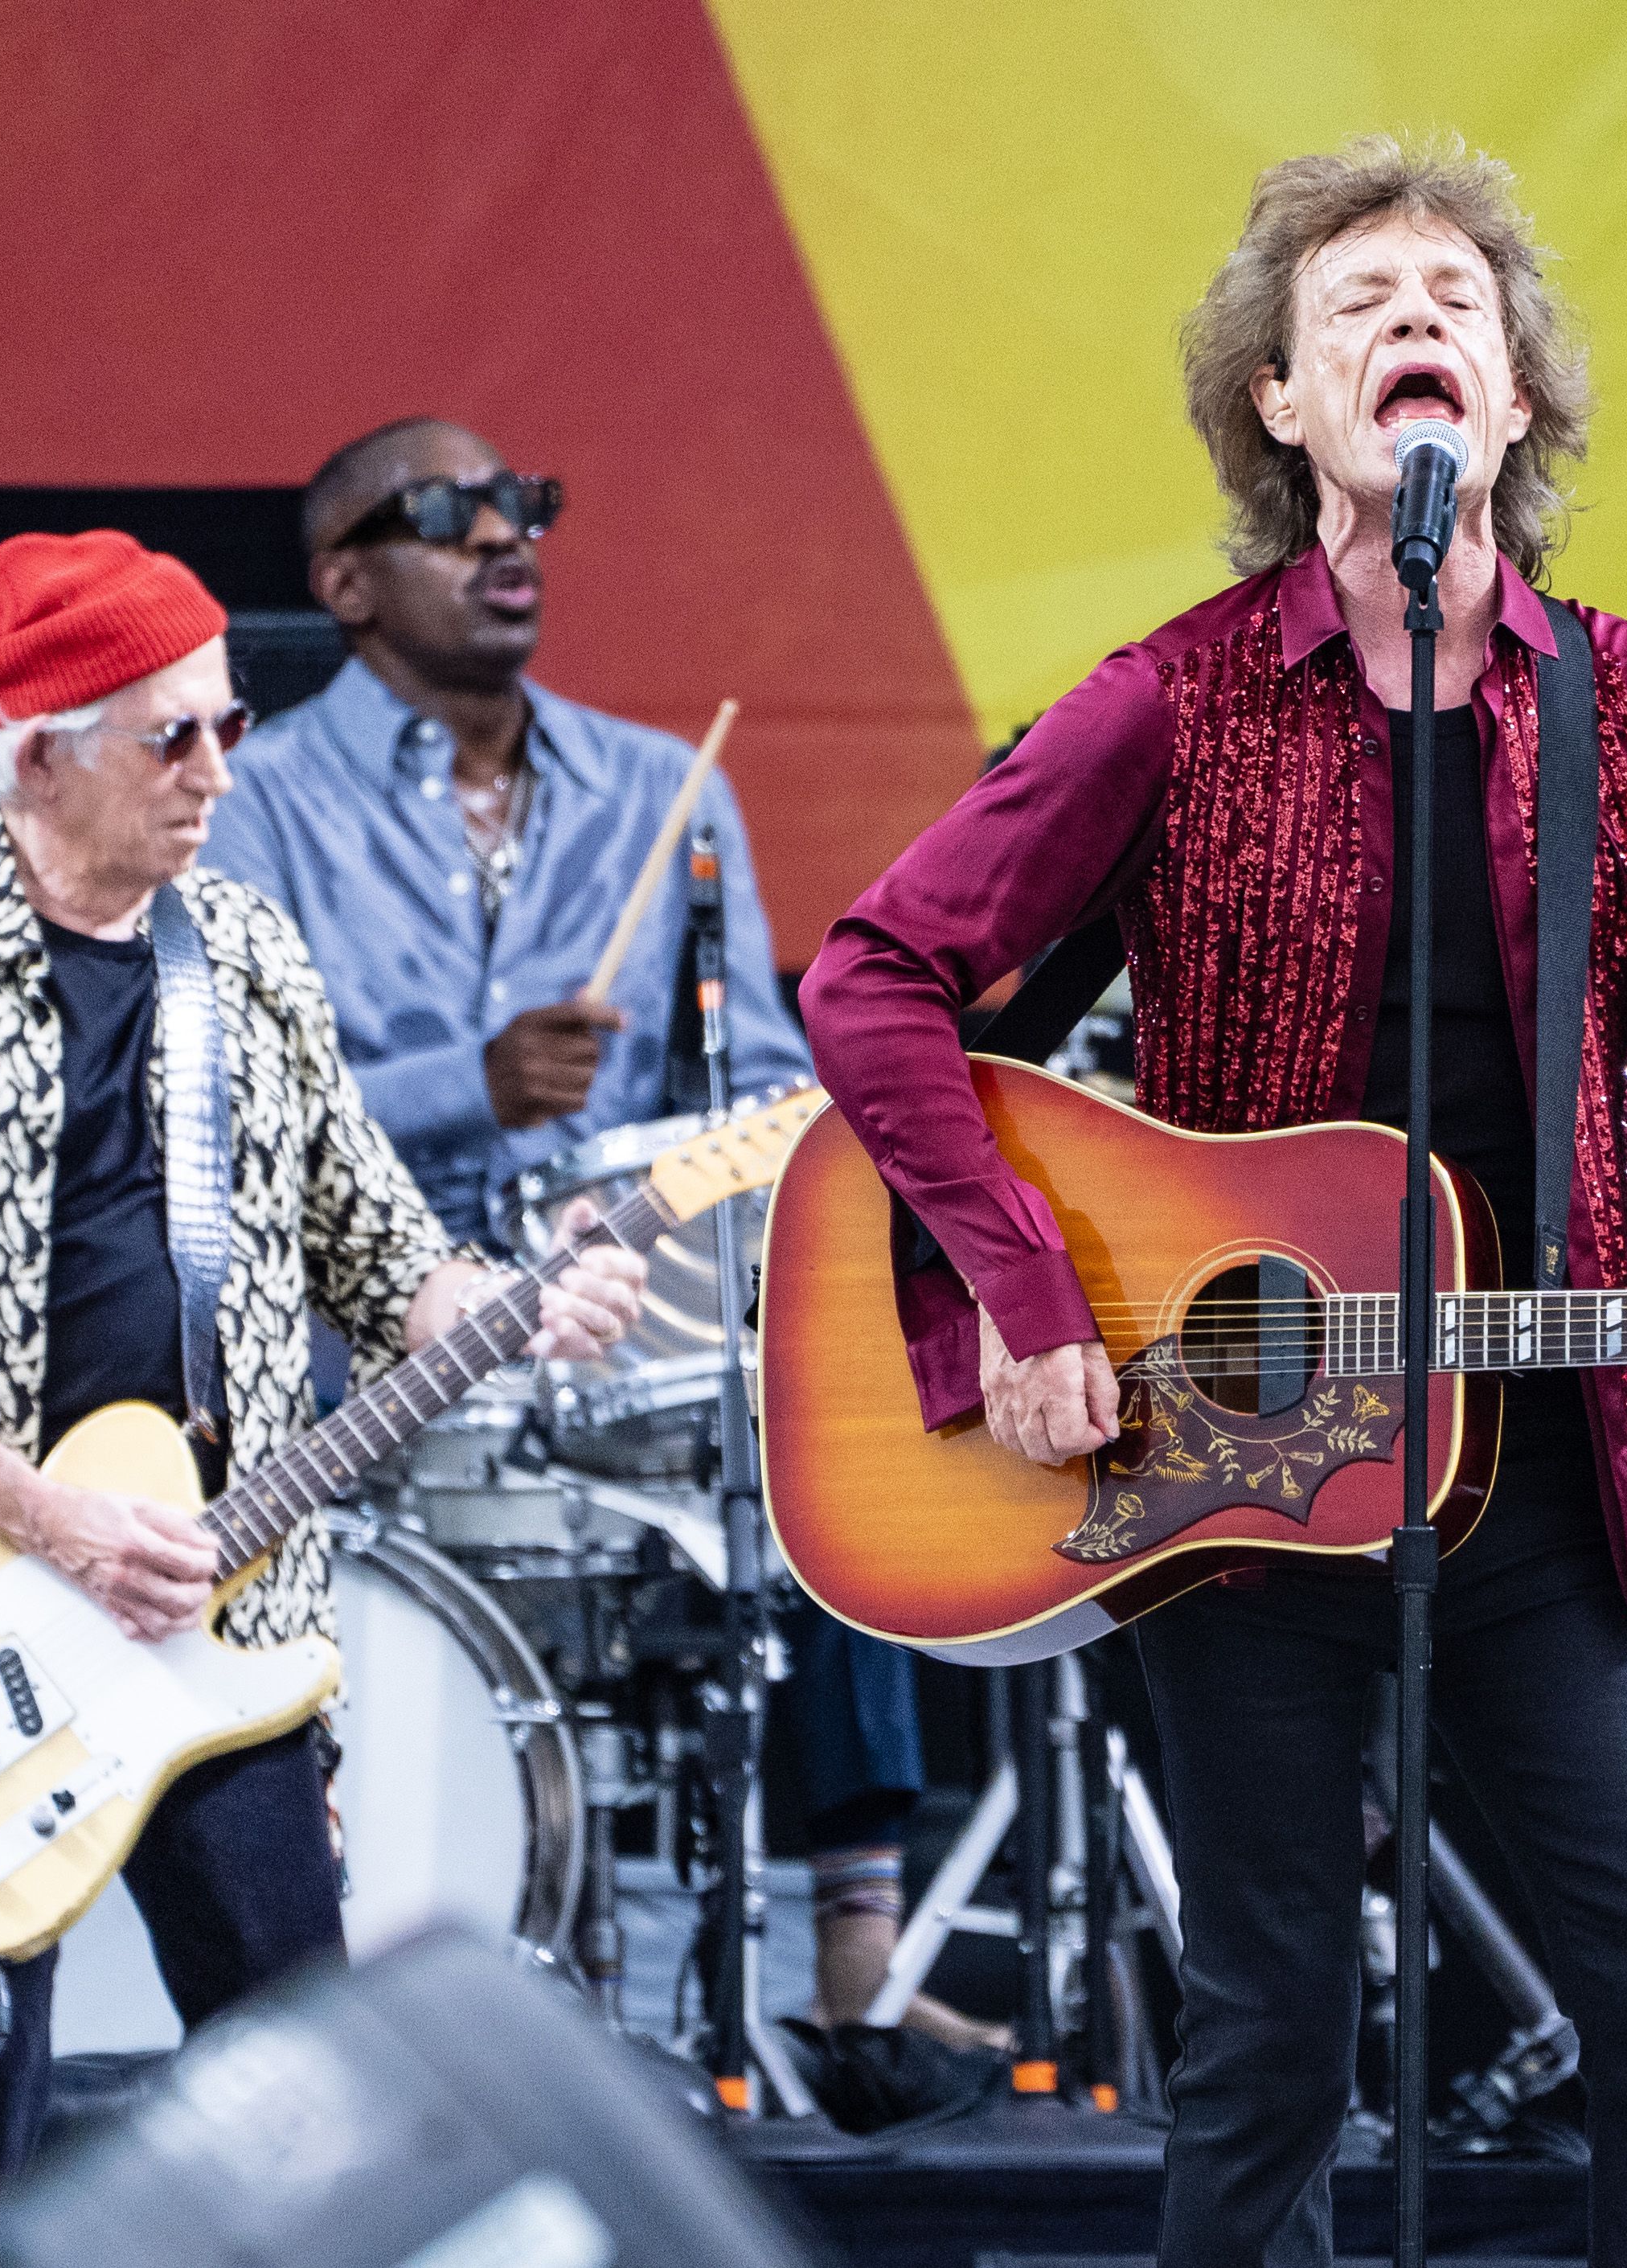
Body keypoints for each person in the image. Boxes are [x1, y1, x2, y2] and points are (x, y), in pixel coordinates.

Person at [801, 137, 1627, 2268]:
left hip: (1537, 1462)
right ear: (1279, 398)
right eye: (1359, 303)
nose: (1417, 321)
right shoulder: (1166, 701)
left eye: (1457, 304)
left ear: (1511, 401)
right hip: (1221, 1460)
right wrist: (1024, 1293)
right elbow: (874, 977)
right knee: (1271, 2025)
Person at [0, 530, 648, 2268]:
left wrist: (518, 1308)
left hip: (221, 1613)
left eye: (229, 724)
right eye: (173, 736)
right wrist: (50, 1514)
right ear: (39, 754)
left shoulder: (242, 951)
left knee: (311, 2087)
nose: (218, 771)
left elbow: (380, 1251)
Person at [199, 418, 968, 2043]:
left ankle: (859, 1944)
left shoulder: (663, 789)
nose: (503, 538)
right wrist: (465, 1089)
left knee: (829, 1407)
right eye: (446, 513)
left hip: (618, 1310)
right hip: (367, 1343)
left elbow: (759, 1081)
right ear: (343, 581)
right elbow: (225, 1104)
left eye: (523, 506)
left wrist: (767, 1141)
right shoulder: (253, 802)